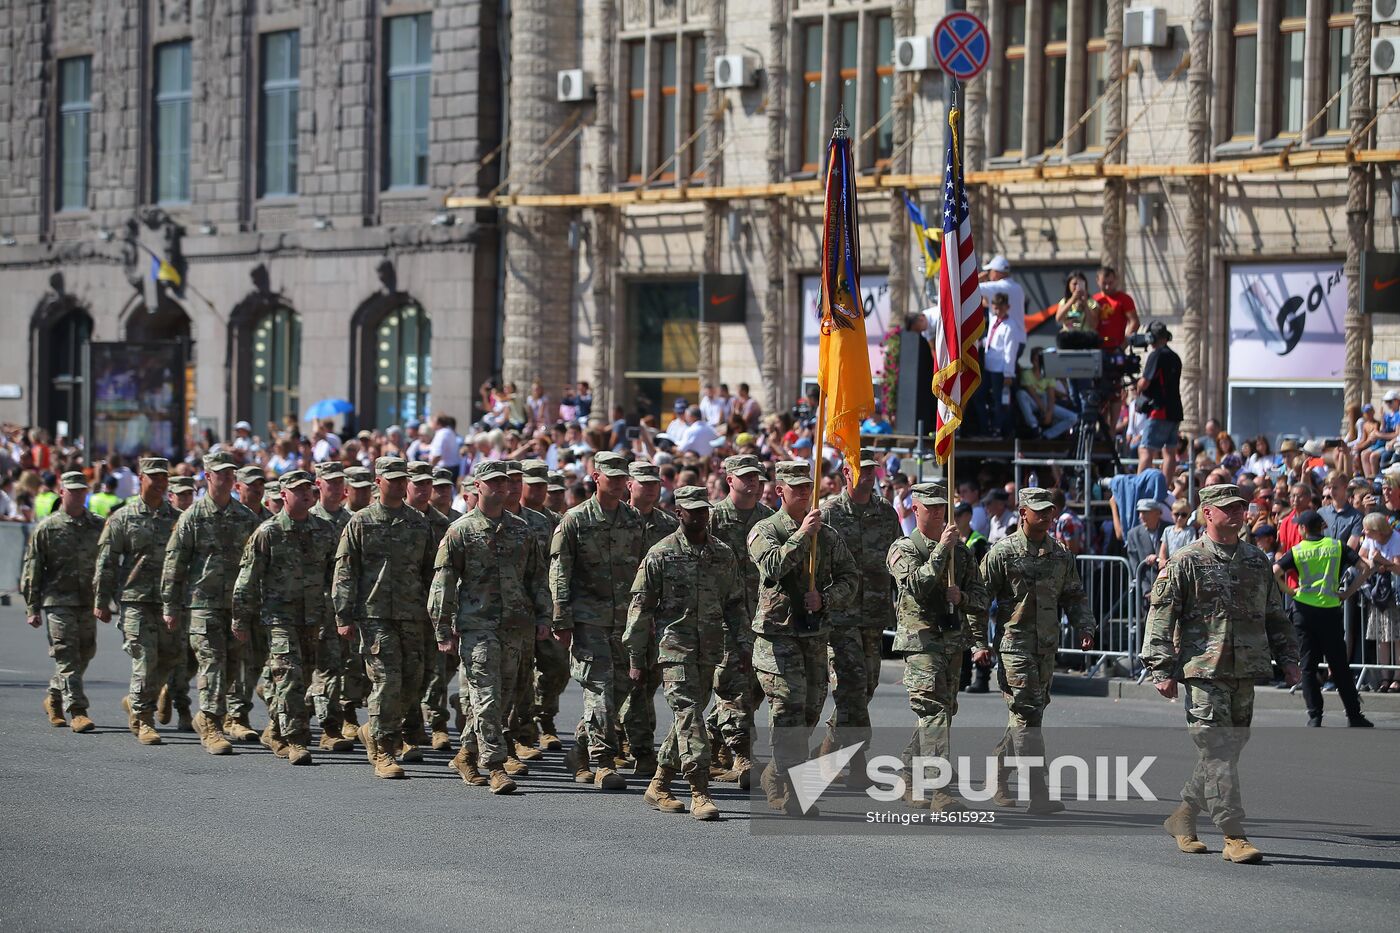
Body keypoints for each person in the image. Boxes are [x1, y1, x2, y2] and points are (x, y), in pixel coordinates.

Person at [1143, 484, 1302, 863]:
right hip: (1203, 670)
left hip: (1245, 669)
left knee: (1229, 750)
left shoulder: (1257, 561)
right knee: (1217, 751)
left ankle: (1183, 815)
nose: (1237, 513)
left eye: (1241, 507)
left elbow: (1274, 614)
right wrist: (1160, 668)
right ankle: (1234, 835)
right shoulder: (1186, 561)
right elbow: (1161, 617)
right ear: (1208, 513)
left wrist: (1291, 658)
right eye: (1228, 508)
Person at [623, 486, 751, 820]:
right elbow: (640, 609)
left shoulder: (722, 554)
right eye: (691, 511)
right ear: (678, 513)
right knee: (689, 712)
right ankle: (699, 790)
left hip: (710, 649)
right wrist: (636, 657)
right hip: (674, 649)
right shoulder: (661, 554)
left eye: (703, 510)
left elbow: (736, 604)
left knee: (686, 718)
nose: (698, 516)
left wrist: (744, 644)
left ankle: (660, 783)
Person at [747, 460, 859, 816]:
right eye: (796, 489)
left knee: (810, 709)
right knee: (787, 709)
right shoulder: (764, 530)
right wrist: (800, 536)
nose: (804, 495)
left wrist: (825, 598)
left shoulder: (828, 536)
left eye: (808, 489)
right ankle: (792, 791)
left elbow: (850, 578)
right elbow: (772, 567)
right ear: (780, 491)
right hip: (776, 637)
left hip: (813, 635)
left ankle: (776, 772)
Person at [431, 460, 549, 794]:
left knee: (503, 698)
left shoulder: (521, 530)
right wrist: (442, 628)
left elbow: (537, 577)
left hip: (514, 626)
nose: (500, 488)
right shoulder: (461, 530)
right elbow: (443, 581)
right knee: (486, 696)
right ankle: (495, 765)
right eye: (492, 482)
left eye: (505, 482)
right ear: (477, 486)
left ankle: (466, 754)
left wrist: (543, 617)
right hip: (476, 625)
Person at [980, 488, 1095, 813]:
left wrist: (1085, 626)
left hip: (1046, 646)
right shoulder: (1002, 552)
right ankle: (1038, 791)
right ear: (1023, 512)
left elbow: (1074, 595)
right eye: (1039, 510)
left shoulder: (1060, 555)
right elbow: (978, 598)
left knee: (1028, 714)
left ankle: (1000, 767)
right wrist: (977, 643)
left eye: (1050, 510)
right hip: (1013, 646)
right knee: (1027, 712)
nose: (1046, 516)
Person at [332, 457, 437, 779]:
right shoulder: (361, 522)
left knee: (412, 684)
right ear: (378, 483)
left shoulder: (418, 523)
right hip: (374, 614)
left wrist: (437, 614)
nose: (399, 484)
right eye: (391, 479)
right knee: (387, 682)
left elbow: (431, 572)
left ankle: (373, 728)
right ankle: (383, 751)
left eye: (402, 479)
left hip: (412, 615)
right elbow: (345, 570)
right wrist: (343, 614)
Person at [887, 481, 988, 811]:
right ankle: (940, 787)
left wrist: (963, 597)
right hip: (921, 641)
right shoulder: (903, 548)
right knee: (932, 711)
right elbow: (917, 585)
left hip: (951, 640)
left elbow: (982, 597)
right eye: (931, 507)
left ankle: (908, 769)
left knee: (943, 712)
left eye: (943, 507)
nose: (939, 513)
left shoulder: (962, 552)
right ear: (915, 509)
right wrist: (942, 550)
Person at [549, 451, 646, 790]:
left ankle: (579, 746)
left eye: (623, 478)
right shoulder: (575, 520)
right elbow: (560, 571)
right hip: (588, 618)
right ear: (596, 477)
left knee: (621, 687)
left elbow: (643, 571)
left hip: (625, 620)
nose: (619, 483)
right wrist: (561, 619)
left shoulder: (633, 520)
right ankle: (603, 762)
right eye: (612, 477)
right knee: (599, 688)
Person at [231, 471, 338, 767]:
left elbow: (336, 576)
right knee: (288, 675)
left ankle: (276, 730)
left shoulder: (324, 531)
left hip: (313, 617)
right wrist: (240, 618)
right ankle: (297, 741)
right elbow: (247, 578)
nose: (305, 494)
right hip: (278, 617)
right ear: (283, 495)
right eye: (297, 490)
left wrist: (338, 612)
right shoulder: (269, 532)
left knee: (300, 678)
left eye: (308, 489)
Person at [159, 451, 260, 755]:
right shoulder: (192, 517)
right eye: (221, 473)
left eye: (231, 474)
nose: (228, 478)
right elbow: (174, 563)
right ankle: (213, 726)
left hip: (236, 605)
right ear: (208, 477)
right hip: (201, 604)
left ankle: (205, 715)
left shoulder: (246, 517)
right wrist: (170, 606)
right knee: (212, 663)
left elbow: (257, 562)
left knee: (230, 667)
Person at [817, 450, 902, 783]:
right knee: (849, 687)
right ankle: (845, 758)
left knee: (866, 686)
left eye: (872, 470)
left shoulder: (885, 513)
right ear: (845, 473)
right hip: (840, 614)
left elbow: (896, 555)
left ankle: (834, 751)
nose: (868, 475)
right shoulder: (829, 513)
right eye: (861, 469)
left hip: (874, 613)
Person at [94, 458, 182, 747]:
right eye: (153, 477)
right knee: (145, 658)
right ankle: (144, 720)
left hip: (169, 601)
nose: (159, 483)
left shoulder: (178, 518)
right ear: (141, 479)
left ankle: (135, 699)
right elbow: (107, 560)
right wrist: (101, 600)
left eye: (163, 478)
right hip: (135, 599)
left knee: (169, 658)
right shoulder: (124, 517)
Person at [704, 454, 774, 787]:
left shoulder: (768, 519)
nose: (753, 483)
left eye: (757, 478)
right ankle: (742, 754)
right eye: (745, 477)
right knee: (732, 687)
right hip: (724, 618)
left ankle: (711, 735)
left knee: (757, 688)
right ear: (729, 479)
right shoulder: (712, 518)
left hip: (762, 617)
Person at [21, 471, 105, 734]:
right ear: (62, 492)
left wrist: (106, 597)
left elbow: (108, 564)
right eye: (73, 490)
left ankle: (54, 698)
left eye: (82, 490)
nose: (79, 495)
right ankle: (78, 711)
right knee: (66, 654)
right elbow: (32, 569)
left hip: (87, 600)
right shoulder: (47, 528)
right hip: (57, 599)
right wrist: (32, 607)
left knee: (85, 653)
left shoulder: (98, 525)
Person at [1273, 510, 1373, 728]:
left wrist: (1290, 592)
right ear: (1322, 527)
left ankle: (1315, 715)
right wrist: (1347, 593)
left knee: (1308, 666)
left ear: (1302, 529)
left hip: (1304, 611)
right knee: (1339, 665)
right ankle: (1354, 715)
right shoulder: (1337, 547)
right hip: (1329, 610)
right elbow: (1365, 568)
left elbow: (1274, 572)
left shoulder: (1298, 550)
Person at [616, 460, 679, 779]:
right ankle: (614, 744)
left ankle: (639, 747)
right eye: (644, 483)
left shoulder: (668, 525)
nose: (651, 488)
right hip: (614, 615)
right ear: (630, 485)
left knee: (645, 682)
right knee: (615, 682)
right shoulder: (615, 521)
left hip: (652, 617)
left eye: (656, 483)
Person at [308, 461, 358, 752]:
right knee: (323, 668)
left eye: (341, 482)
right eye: (332, 482)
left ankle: (326, 718)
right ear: (319, 484)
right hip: (313, 607)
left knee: (341, 667)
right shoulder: (308, 518)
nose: (338, 487)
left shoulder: (351, 520)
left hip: (344, 608)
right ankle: (329, 728)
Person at [1358, 512, 1400, 693]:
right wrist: (1373, 563)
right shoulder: (1370, 540)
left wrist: (1384, 562)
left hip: (1394, 593)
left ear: (1377, 530)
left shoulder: (1396, 539)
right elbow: (1360, 556)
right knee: (1382, 636)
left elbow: (1398, 567)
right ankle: (1385, 677)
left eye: (1367, 529)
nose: (1364, 532)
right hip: (1377, 592)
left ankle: (1397, 676)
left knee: (1397, 637)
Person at [1136, 321, 1183, 477]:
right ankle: (1165, 488)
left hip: (1160, 411)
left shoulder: (1156, 355)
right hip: (1175, 410)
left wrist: (1137, 389)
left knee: (1145, 449)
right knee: (1169, 451)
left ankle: (1140, 488)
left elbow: (1145, 382)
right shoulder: (1175, 357)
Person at [982, 293, 1019, 437]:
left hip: (1000, 369)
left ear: (1007, 307)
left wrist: (1008, 374)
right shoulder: (993, 319)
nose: (998, 312)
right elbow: (992, 340)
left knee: (1001, 401)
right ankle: (987, 425)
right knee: (981, 396)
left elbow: (1010, 351)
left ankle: (1000, 428)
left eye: (1001, 309)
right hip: (989, 366)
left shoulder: (1010, 326)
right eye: (995, 308)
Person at [977, 255, 1026, 359]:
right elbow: (986, 303)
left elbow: (968, 287)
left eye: (990, 271)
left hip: (1002, 341)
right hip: (1020, 339)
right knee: (1011, 371)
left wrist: (980, 277)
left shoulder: (995, 286)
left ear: (996, 272)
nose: (988, 273)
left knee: (1001, 374)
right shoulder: (1018, 287)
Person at [1093, 264, 1139, 351]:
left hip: (1117, 348)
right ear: (1097, 281)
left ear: (1116, 280)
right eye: (1104, 283)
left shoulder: (1124, 299)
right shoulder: (1093, 300)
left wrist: (1122, 346)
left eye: (1110, 283)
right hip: (1096, 348)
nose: (1107, 287)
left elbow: (1134, 322)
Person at [1055, 270, 1100, 335]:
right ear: (1069, 285)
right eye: (1074, 284)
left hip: (1085, 337)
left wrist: (1085, 305)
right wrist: (1072, 300)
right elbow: (1058, 319)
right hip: (1068, 337)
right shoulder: (1064, 301)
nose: (1077, 287)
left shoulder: (1092, 303)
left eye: (1080, 284)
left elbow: (1093, 325)